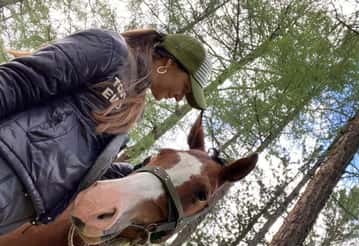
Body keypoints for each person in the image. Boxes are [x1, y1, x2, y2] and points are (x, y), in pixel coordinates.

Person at [0, 28, 212, 235]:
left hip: (22, 209)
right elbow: (18, 82)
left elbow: (85, 169)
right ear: (169, 63)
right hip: (8, 167)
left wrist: (146, 175)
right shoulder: (112, 49)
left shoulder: (134, 108)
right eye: (185, 88)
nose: (179, 98)